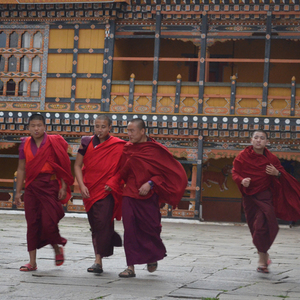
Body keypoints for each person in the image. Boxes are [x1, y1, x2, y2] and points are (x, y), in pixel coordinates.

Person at [118, 118, 188, 278]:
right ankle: (130, 267)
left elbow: (165, 173)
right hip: (129, 194)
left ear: (142, 131)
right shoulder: (127, 149)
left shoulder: (155, 150)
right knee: (129, 230)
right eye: (128, 131)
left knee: (151, 229)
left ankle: (152, 255)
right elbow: (122, 172)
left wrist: (150, 183)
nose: (129, 134)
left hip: (149, 196)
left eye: (132, 131)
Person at [232, 130, 300, 273]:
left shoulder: (272, 159)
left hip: (265, 196)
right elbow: (235, 172)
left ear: (266, 142)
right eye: (256, 138)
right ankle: (263, 258)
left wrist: (277, 173)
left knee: (264, 225)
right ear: (251, 140)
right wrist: (241, 180)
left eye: (262, 138)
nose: (258, 141)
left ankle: (262, 259)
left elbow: (283, 176)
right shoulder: (242, 156)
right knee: (255, 228)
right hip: (249, 197)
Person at [15, 113, 74, 272]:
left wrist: (63, 186)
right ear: (28, 128)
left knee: (49, 223)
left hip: (50, 185)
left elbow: (62, 165)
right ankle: (32, 262)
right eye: (33, 126)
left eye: (39, 125)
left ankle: (56, 247)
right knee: (32, 223)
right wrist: (18, 192)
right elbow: (21, 169)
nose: (36, 129)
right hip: (32, 187)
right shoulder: (25, 144)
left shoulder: (54, 142)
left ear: (44, 127)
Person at [74, 115, 126, 274]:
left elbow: (123, 169)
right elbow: (77, 165)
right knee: (95, 225)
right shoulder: (86, 142)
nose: (99, 130)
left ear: (110, 128)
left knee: (102, 222)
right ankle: (108, 240)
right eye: (97, 126)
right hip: (89, 189)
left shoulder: (118, 145)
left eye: (103, 127)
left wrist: (113, 182)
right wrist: (81, 185)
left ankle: (98, 260)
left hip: (106, 190)